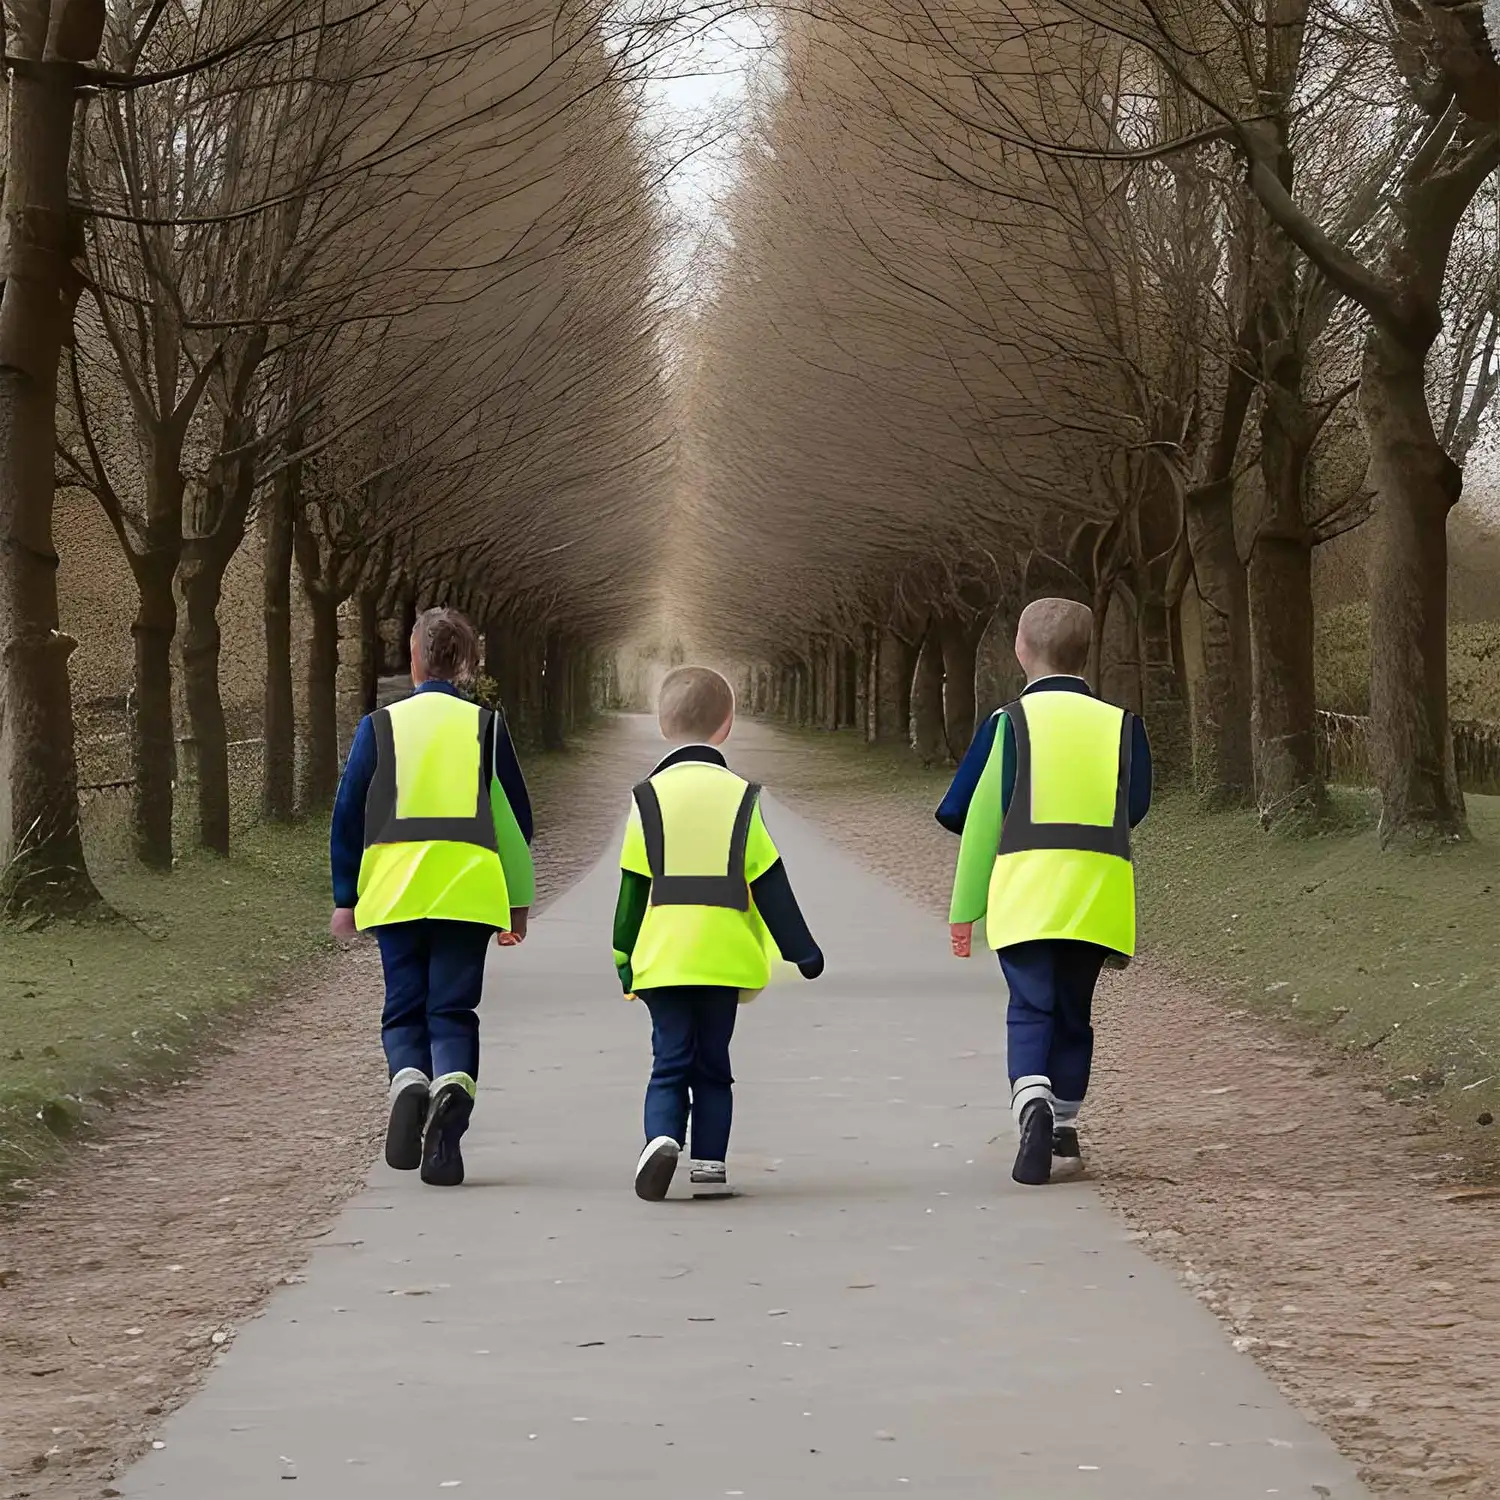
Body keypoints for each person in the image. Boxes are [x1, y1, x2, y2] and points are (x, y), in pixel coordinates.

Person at [939, 598, 1151, 1186]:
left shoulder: (1009, 723)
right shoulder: (1122, 725)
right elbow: (1134, 807)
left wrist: (965, 910)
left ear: (1019, 649)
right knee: (1075, 1013)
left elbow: (969, 815)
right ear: (1088, 653)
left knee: (1031, 1006)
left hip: (1026, 892)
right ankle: (1062, 1128)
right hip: (1098, 893)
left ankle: (1030, 1098)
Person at [329, 606, 534, 1188]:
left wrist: (347, 895)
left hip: (394, 889)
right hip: (468, 891)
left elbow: (347, 815)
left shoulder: (379, 727)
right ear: (465, 663)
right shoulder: (487, 728)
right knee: (452, 1010)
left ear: (413, 657)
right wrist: (517, 903)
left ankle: (409, 1081)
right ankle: (449, 1104)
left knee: (403, 1006)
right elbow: (516, 823)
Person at [614, 665, 824, 1201]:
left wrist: (623, 958)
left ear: (663, 724)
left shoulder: (645, 800)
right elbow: (771, 882)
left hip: (662, 957)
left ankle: (660, 1138)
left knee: (668, 1061)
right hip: (724, 956)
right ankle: (709, 1167)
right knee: (713, 1065)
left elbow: (633, 891)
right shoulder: (743, 798)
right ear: (727, 725)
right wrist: (803, 951)